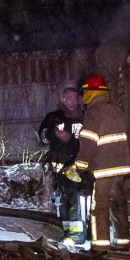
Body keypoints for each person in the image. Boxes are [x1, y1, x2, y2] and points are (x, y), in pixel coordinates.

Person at [74, 73, 130, 254]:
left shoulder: (93, 113)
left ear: (90, 92)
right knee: (119, 204)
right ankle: (123, 241)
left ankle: (100, 246)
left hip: (102, 168)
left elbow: (88, 144)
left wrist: (80, 166)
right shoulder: (118, 110)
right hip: (120, 166)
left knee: (100, 207)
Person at [37, 86, 87, 248]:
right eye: (69, 98)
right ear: (63, 99)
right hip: (58, 167)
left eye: (75, 98)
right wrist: (55, 133)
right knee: (61, 200)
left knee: (76, 199)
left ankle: (77, 235)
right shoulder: (54, 117)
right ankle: (66, 232)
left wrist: (72, 140)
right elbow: (42, 136)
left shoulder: (85, 117)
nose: (73, 102)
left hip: (78, 166)